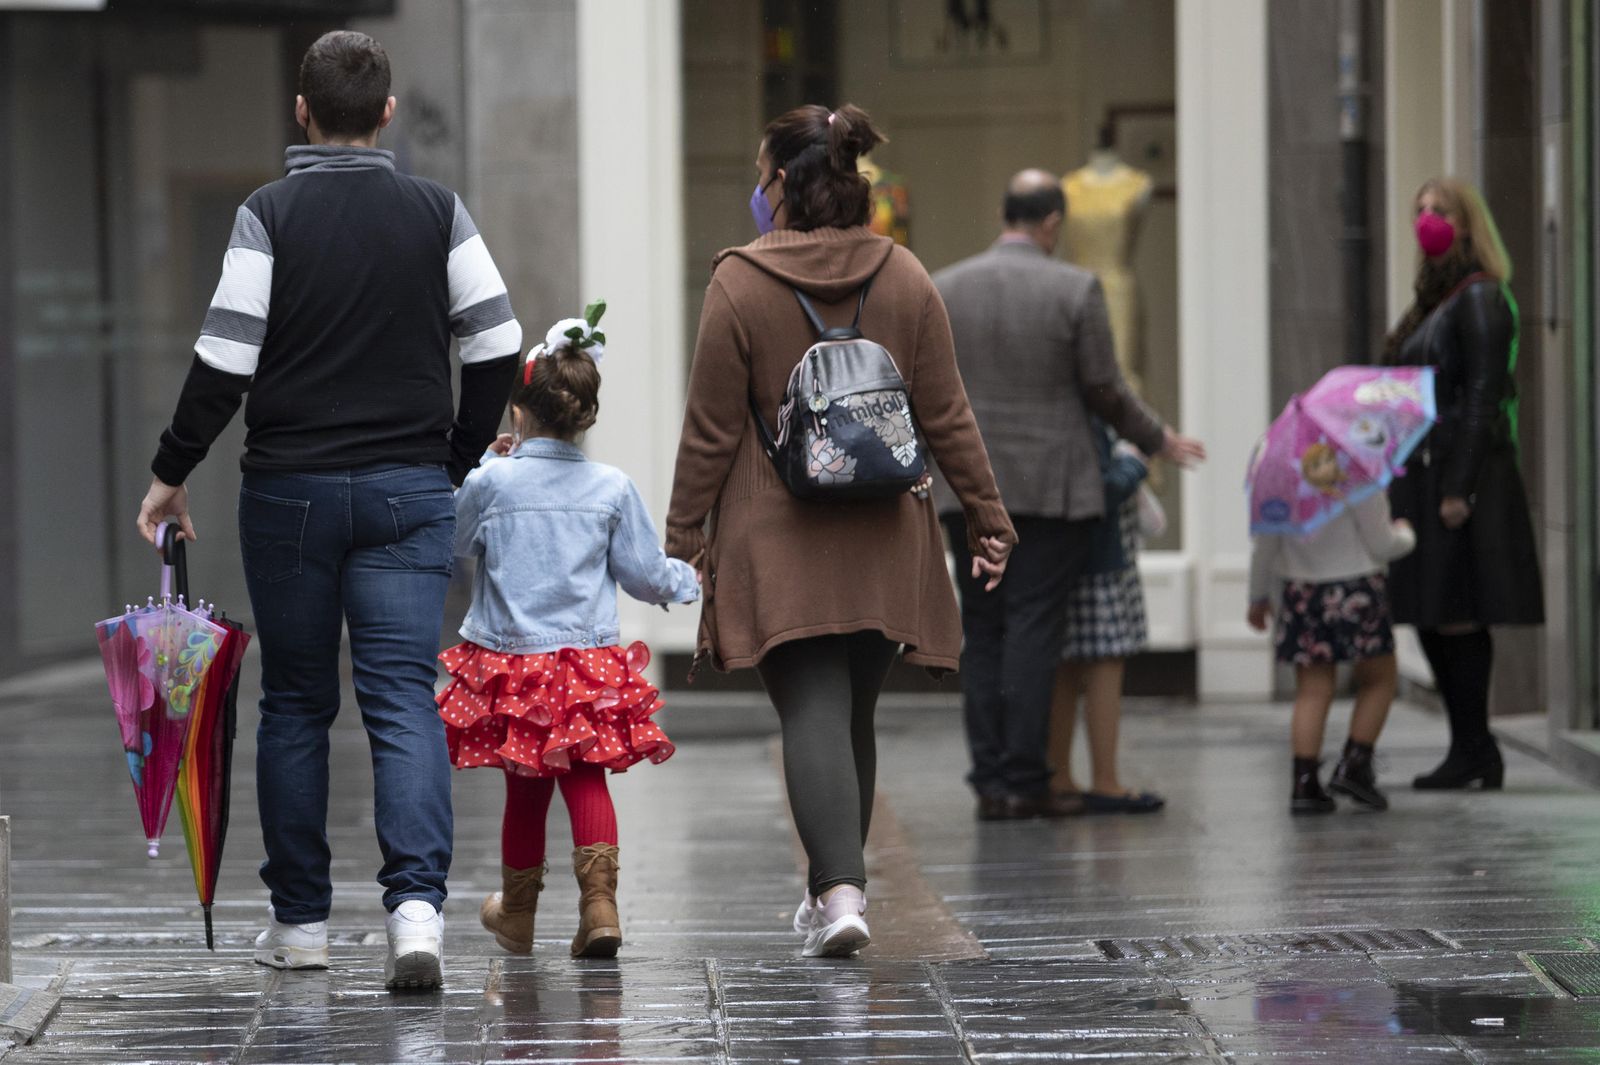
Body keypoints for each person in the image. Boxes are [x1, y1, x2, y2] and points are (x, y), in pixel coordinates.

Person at [134, 31, 523, 990]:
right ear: (387, 112)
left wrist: (170, 470)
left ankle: (301, 923)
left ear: (300, 111)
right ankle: (418, 915)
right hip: (407, 491)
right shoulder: (438, 211)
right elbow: (500, 339)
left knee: (298, 704)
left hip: (290, 493)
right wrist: (455, 456)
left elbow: (225, 358)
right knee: (400, 696)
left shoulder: (268, 213)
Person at [665, 103, 1015, 958]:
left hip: (777, 529)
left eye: (760, 176)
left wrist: (680, 533)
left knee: (811, 707)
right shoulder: (906, 276)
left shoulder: (739, 282)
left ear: (782, 184)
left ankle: (839, 892)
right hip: (887, 530)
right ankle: (841, 883)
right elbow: (947, 413)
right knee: (852, 705)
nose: (757, 189)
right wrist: (988, 518)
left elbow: (711, 429)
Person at [933, 169, 1204, 822]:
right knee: (1032, 626)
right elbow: (1104, 389)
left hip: (967, 489)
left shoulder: (946, 287)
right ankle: (1027, 778)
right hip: (1054, 489)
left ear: (1006, 213)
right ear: (1052, 223)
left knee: (984, 626)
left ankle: (991, 778)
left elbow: (932, 390)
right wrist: (1158, 437)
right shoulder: (1075, 289)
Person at [437, 305, 699, 960]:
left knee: (524, 788)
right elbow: (642, 574)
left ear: (518, 414)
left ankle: (518, 913)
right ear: (585, 414)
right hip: (586, 662)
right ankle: (600, 907)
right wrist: (687, 580)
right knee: (586, 779)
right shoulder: (611, 487)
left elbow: (456, 538)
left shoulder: (491, 481)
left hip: (513, 661)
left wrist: (481, 464)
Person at [1382, 177, 1544, 790]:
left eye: (1439, 211)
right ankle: (1469, 747)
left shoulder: (1480, 298)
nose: (1426, 220)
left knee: (1456, 614)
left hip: (1457, 477)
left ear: (1466, 223)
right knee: (1432, 612)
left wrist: (1459, 487)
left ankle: (1477, 749)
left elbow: (1482, 396)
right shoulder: (1437, 300)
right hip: (1424, 473)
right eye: (1419, 210)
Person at [1248, 479, 1416, 812]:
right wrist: (1406, 533)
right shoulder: (1357, 473)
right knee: (1380, 678)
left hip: (1303, 592)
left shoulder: (1280, 475)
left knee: (1312, 689)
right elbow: (1382, 544)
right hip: (1358, 586)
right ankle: (1355, 764)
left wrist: (1257, 597)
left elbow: (1264, 545)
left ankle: (1304, 783)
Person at [1047, 424, 1163, 813]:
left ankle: (1059, 775)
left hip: (1063, 554)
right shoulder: (1088, 414)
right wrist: (1135, 462)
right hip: (1100, 556)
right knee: (1105, 665)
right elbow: (1104, 487)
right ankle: (1105, 780)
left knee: (1065, 667)